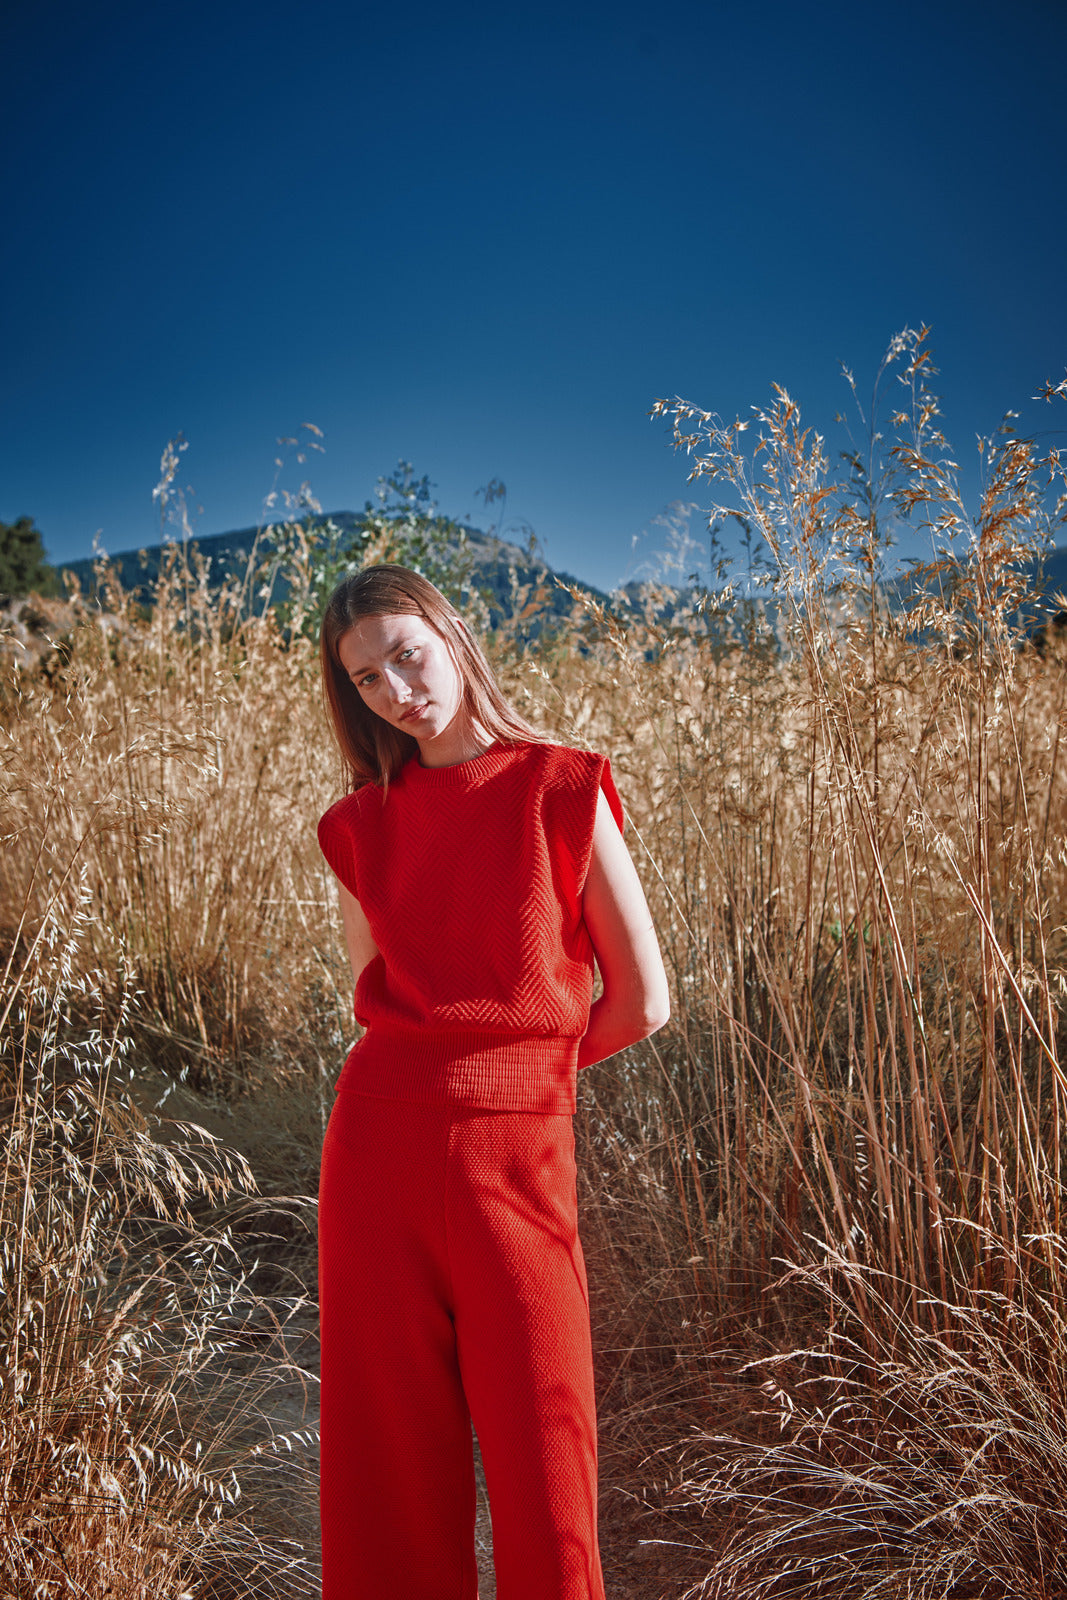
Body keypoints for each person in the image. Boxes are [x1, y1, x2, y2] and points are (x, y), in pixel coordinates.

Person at [316, 563, 670, 1600]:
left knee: (543, 1453)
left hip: (507, 1153)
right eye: (366, 679)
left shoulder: (558, 784)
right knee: (392, 1456)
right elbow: (372, 993)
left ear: (450, 633)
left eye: (404, 655)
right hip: (380, 1147)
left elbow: (645, 998)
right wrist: (506, 1073)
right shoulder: (357, 824)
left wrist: (510, 1079)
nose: (394, 690)